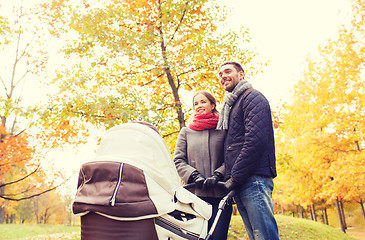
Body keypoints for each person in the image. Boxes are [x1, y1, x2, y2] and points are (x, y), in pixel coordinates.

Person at [217, 61, 279, 240]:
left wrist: (235, 176)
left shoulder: (252, 98)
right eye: (220, 74)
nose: (223, 77)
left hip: (254, 179)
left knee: (264, 236)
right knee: (255, 236)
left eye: (227, 72)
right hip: (242, 180)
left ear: (241, 75)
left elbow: (255, 141)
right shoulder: (233, 105)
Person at [173, 90, 232, 240]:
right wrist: (194, 176)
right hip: (193, 196)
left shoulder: (223, 130)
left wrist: (218, 174)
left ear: (212, 105)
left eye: (203, 102)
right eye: (196, 103)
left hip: (220, 195)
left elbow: (231, 157)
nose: (199, 105)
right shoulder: (186, 132)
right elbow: (178, 160)